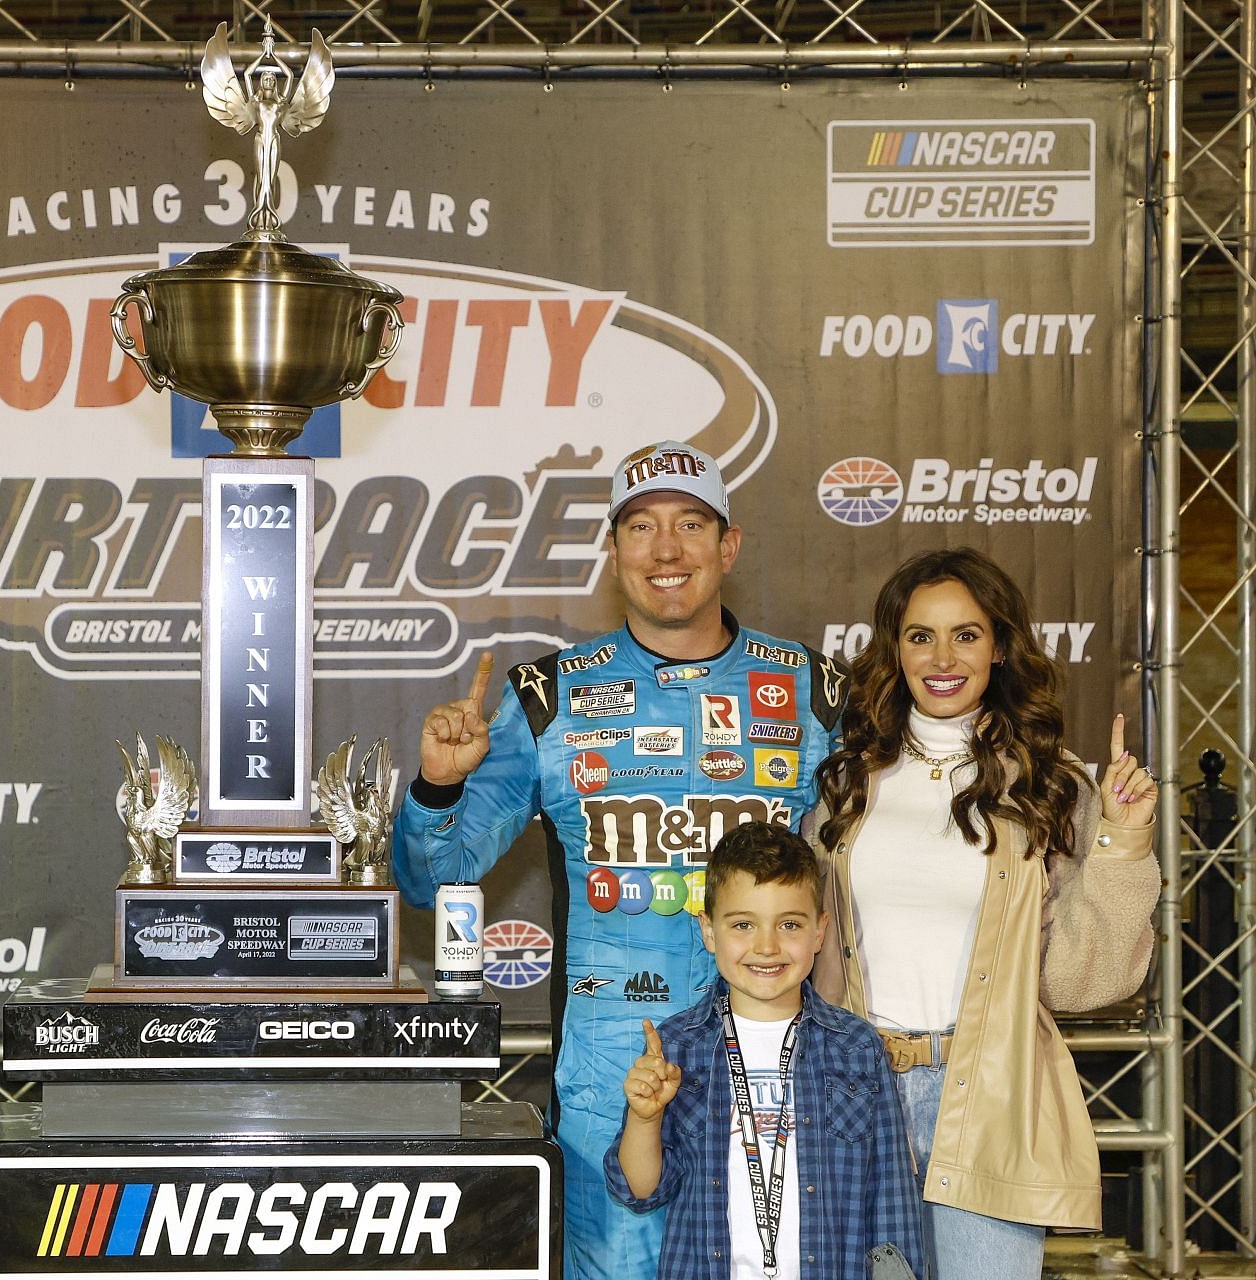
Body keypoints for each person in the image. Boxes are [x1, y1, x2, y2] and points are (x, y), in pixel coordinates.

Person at [392, 439, 849, 1280]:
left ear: (729, 546)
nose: (665, 550)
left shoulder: (817, 692)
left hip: (783, 1070)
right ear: (613, 552)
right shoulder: (549, 696)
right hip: (612, 1073)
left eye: (689, 525)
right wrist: (436, 787)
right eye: (639, 527)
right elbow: (432, 878)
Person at [808, 547, 1159, 1279]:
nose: (943, 657)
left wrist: (1121, 846)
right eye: (920, 635)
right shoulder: (844, 784)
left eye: (966, 635)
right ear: (893, 648)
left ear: (999, 647)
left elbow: (1080, 984)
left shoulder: (1049, 784)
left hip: (994, 1096)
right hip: (853, 1098)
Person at [605, 822, 926, 1280]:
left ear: (820, 932)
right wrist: (645, 1118)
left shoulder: (857, 1047)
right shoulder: (677, 1047)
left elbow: (892, 1199)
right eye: (742, 924)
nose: (767, 946)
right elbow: (639, 1190)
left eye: (790, 924)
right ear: (709, 931)